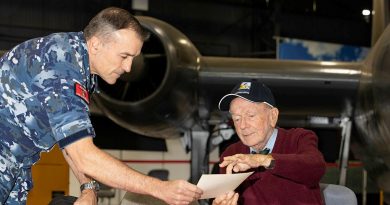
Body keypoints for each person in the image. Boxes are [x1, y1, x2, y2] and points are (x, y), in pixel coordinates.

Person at [0, 7, 202, 205]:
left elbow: (70, 142)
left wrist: (88, 188)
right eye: (124, 56)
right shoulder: (61, 67)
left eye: (133, 58)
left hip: (15, 167)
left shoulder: (78, 63)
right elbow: (84, 156)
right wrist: (160, 189)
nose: (128, 68)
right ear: (96, 44)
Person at [213, 80, 326, 205]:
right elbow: (225, 197)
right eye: (237, 119)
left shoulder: (298, 138)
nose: (243, 126)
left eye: (250, 115)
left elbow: (315, 169)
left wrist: (262, 160)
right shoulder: (232, 154)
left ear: (273, 116)